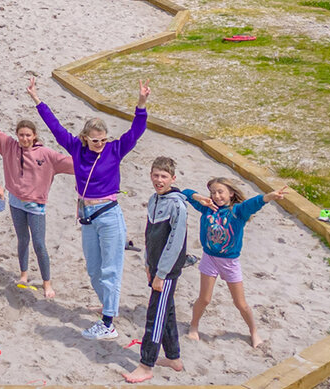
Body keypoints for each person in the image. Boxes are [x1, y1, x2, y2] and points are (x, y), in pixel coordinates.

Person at [28, 76, 150, 340]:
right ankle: (108, 306)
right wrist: (37, 100)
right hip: (86, 216)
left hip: (109, 214)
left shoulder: (115, 149)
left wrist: (141, 103)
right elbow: (55, 127)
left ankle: (108, 323)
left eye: (103, 140)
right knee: (94, 269)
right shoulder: (76, 148)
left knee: (111, 269)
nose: (100, 145)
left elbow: (136, 131)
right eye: (95, 141)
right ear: (85, 138)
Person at [0, 93, 74, 298]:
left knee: (39, 244)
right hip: (15, 202)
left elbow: (72, 164)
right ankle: (23, 274)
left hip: (36, 206)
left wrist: (96, 163)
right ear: (17, 135)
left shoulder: (47, 155)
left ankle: (47, 283)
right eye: (21, 135)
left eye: (28, 135)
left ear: (34, 136)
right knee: (22, 240)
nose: (24, 138)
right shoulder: (9, 146)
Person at [183, 178, 289, 347]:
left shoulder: (238, 211)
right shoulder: (207, 207)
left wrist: (269, 197)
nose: (216, 196)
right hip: (209, 258)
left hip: (230, 261)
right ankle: (194, 326)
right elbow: (185, 193)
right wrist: (200, 197)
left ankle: (253, 331)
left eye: (220, 192)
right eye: (213, 193)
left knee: (240, 303)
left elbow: (254, 203)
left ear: (231, 193)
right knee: (204, 299)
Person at [123, 156, 188, 383]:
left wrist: (161, 273)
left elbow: (175, 242)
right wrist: (148, 264)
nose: (159, 180)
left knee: (155, 316)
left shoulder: (177, 205)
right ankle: (173, 358)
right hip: (155, 266)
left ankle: (146, 365)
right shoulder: (153, 199)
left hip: (167, 270)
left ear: (173, 178)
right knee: (166, 310)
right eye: (156, 175)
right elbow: (149, 235)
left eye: (164, 176)